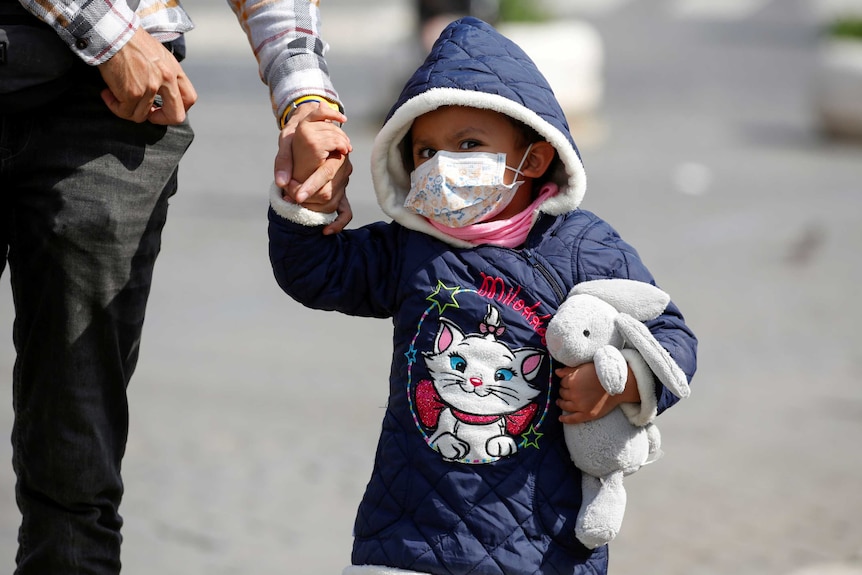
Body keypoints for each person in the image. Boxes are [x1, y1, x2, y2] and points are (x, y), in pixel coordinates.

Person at [268, 16, 698, 575]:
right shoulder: (410, 248)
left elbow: (672, 338)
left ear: (535, 158)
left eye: (469, 144)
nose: (443, 164)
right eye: (425, 151)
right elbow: (316, 273)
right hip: (410, 532)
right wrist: (310, 199)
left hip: (541, 541)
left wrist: (618, 383)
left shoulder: (583, 247)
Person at [0, 0, 347, 572]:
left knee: (76, 464)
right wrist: (111, 35)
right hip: (123, 57)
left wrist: (307, 103)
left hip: (115, 103)